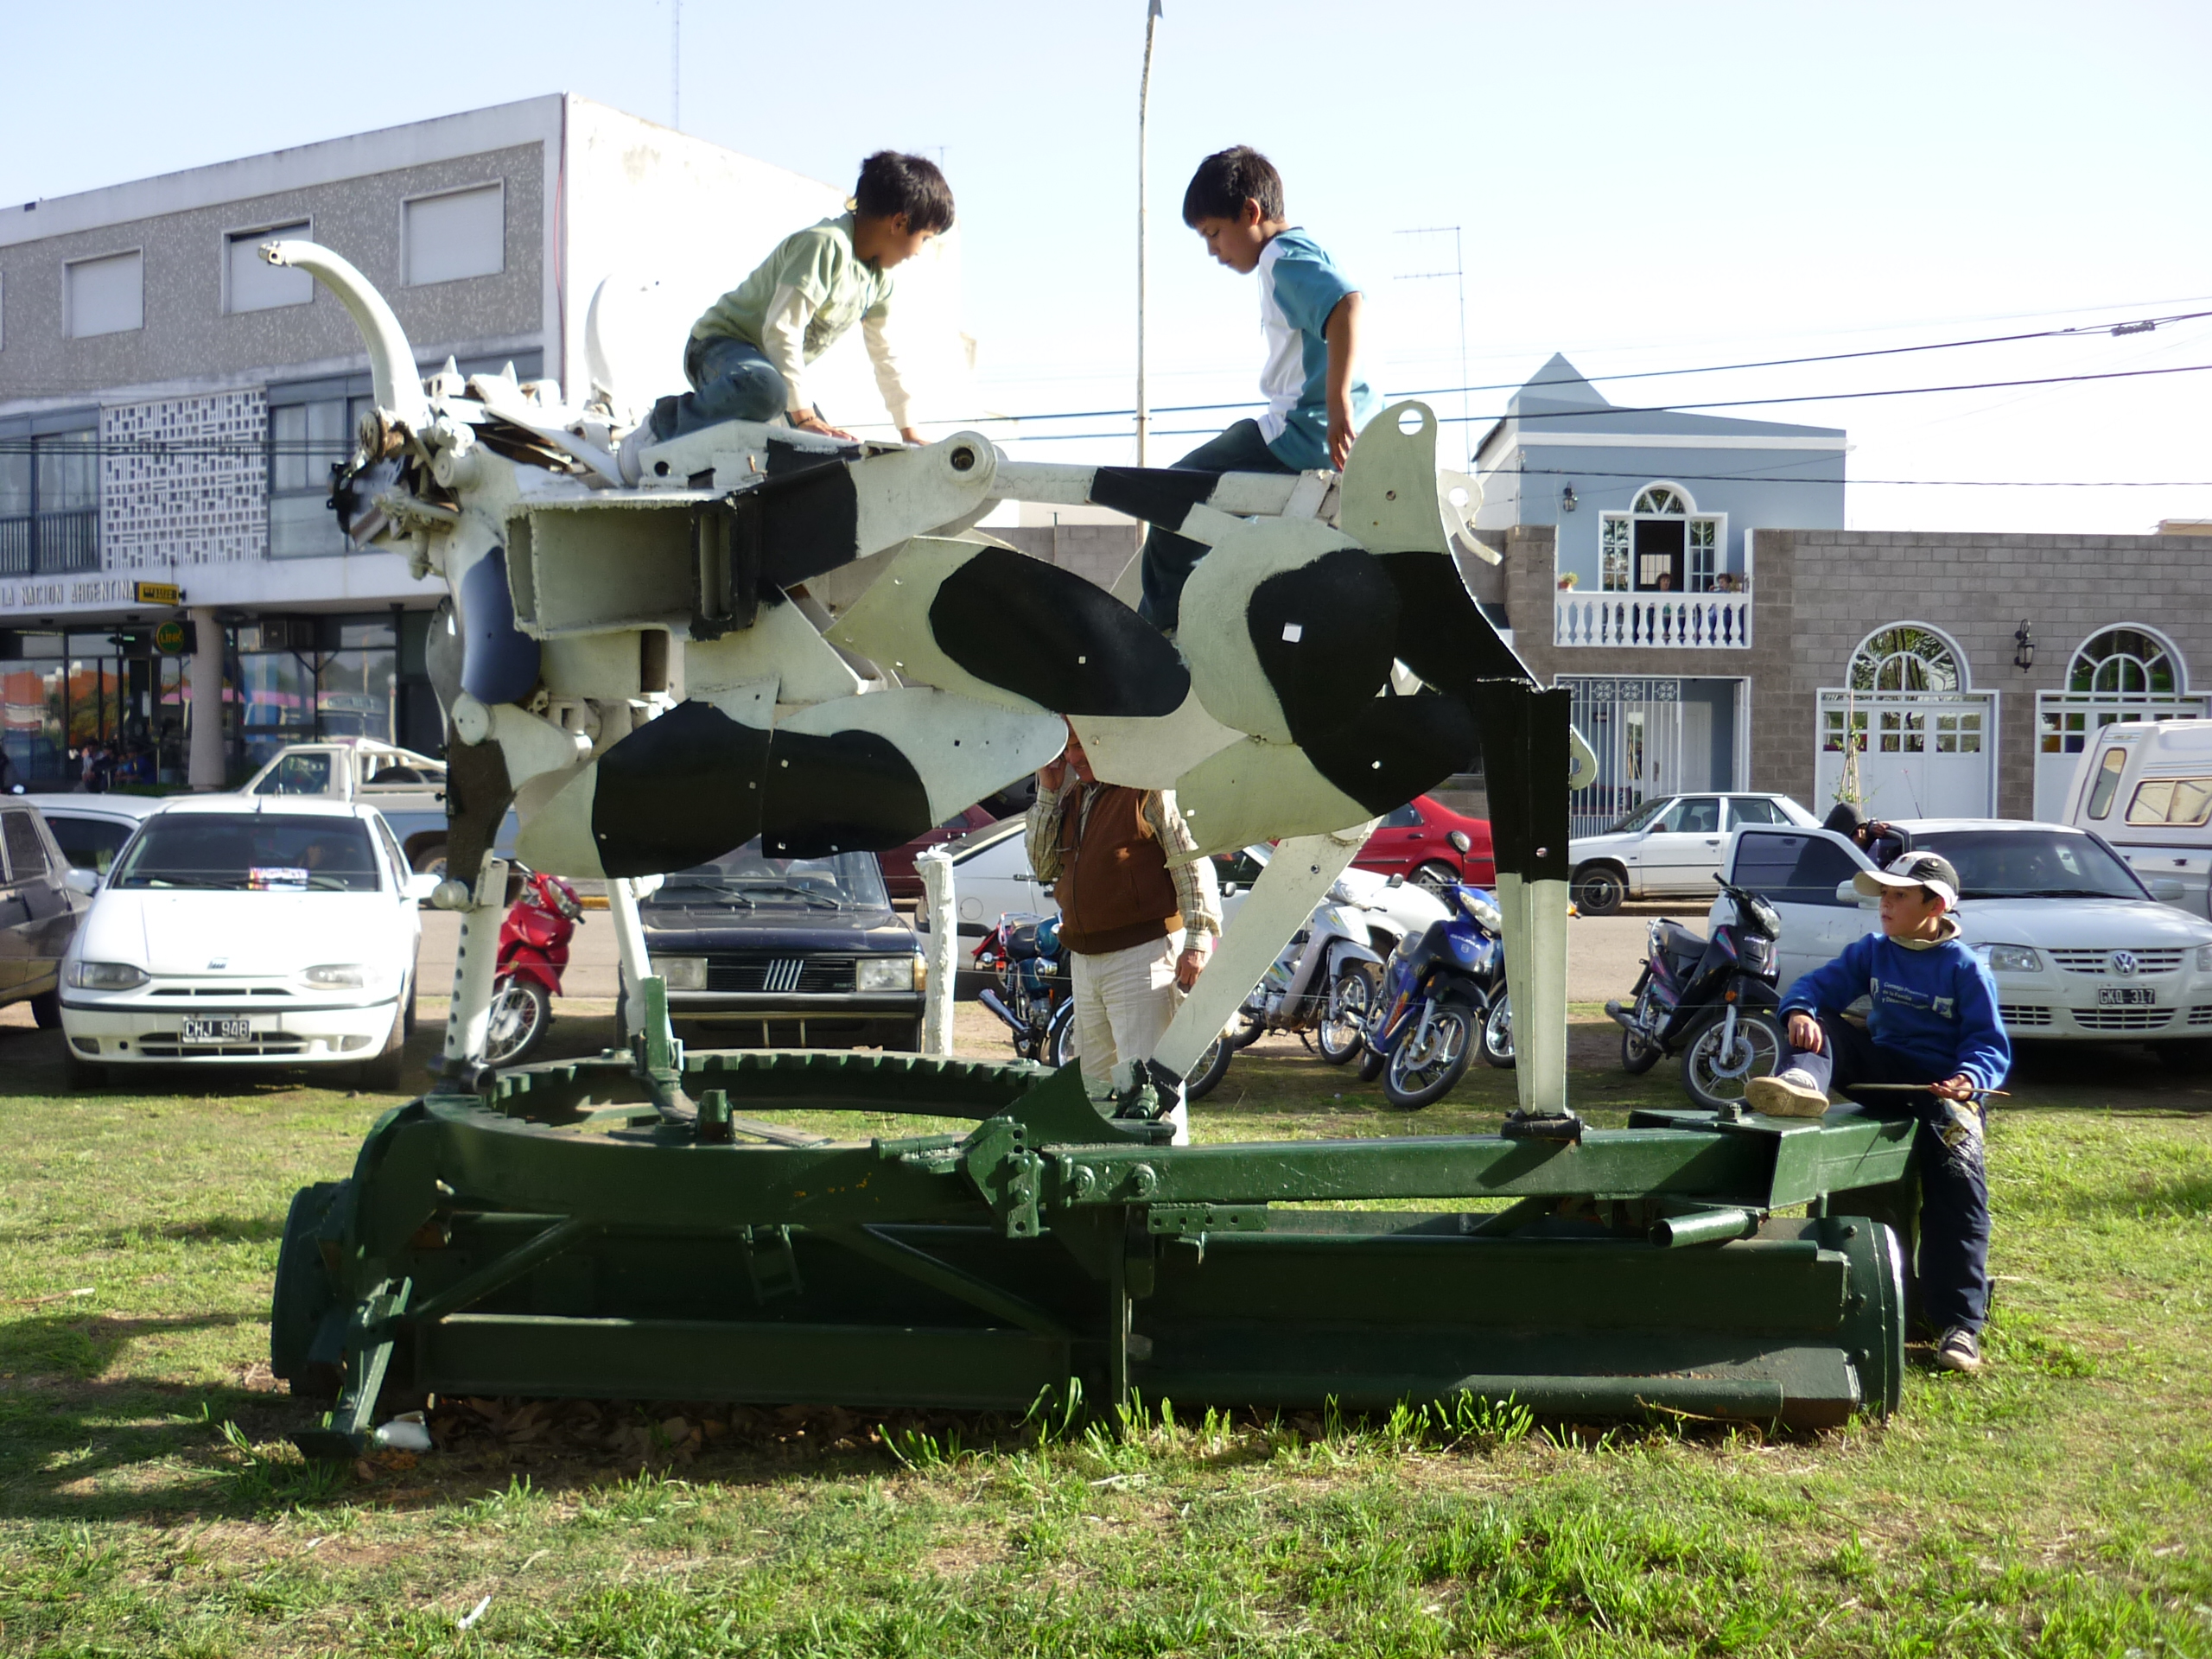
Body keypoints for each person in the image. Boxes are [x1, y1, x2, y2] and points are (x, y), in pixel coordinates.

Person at [1747, 850, 2008, 1375]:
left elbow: (1988, 1044)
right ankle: (1802, 1082)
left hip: (1943, 1095)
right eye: (1883, 895)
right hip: (1882, 1077)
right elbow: (1813, 986)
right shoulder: (1872, 950)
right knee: (1822, 1021)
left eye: (1898, 896)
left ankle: (1959, 1326)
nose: (1885, 904)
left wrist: (1967, 1080)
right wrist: (1799, 1010)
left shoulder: (1966, 968)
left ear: (1935, 906)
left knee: (1959, 1194)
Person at [1137, 146, 1381, 633]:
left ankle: (1161, 639)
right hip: (1312, 432)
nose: (1213, 251)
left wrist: (1337, 406)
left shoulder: (1281, 258)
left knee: (1169, 500)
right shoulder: (1301, 251)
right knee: (1219, 514)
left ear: (1251, 212)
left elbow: (1348, 305)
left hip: (1299, 435)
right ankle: (1207, 610)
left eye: (1214, 233)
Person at [621, 152, 953, 474]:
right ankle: (661, 424)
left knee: (827, 454)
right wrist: (804, 416)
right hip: (717, 347)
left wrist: (908, 430)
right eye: (925, 238)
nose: (918, 252)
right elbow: (782, 330)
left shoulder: (879, 281)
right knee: (768, 393)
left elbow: (885, 355)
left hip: (770, 374)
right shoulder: (825, 245)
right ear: (899, 222)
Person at [1026, 722, 1221, 1139]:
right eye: (1068, 748)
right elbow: (1043, 866)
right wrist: (1048, 792)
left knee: (1148, 1086)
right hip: (1086, 958)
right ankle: (1105, 1172)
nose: (1074, 757)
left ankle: (1165, 1173)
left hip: (1142, 953)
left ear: (1106, 739)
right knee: (1094, 1086)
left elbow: (1191, 862)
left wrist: (1198, 939)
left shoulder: (1148, 788)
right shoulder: (1075, 796)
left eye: (1081, 745)